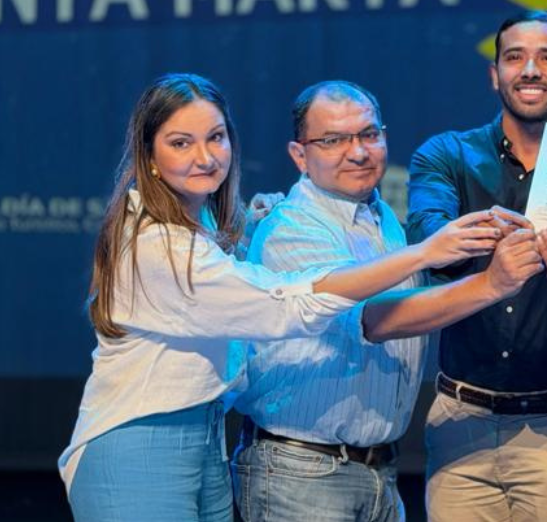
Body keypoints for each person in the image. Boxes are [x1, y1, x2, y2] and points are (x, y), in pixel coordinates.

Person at [61, 73, 502, 522]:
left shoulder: (205, 225)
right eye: (180, 143)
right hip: (141, 436)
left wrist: (245, 233)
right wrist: (439, 260)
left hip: (207, 436)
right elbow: (285, 304)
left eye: (216, 137)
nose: (205, 157)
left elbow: (224, 292)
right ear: (149, 155)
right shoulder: (158, 243)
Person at [231, 81, 544, 521]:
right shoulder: (293, 227)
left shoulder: (382, 219)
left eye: (368, 134)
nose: (358, 152)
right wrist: (491, 284)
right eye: (333, 140)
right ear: (300, 155)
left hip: (376, 470)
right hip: (302, 473)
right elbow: (374, 320)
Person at [406, 10, 547, 522]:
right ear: (495, 74)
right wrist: (494, 240)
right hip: (460, 422)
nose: (530, 70)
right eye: (515, 57)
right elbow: (428, 238)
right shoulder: (447, 154)